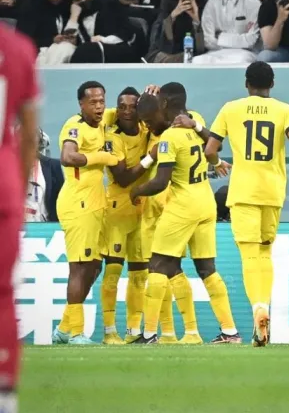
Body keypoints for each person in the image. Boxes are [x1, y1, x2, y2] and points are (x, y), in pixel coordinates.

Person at [203, 62, 289, 346]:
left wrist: (217, 164)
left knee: (250, 255)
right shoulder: (285, 110)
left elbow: (210, 150)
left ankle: (258, 308)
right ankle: (264, 306)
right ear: (272, 85)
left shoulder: (231, 108)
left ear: (246, 84)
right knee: (265, 253)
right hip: (273, 192)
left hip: (243, 192)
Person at [132, 83, 241, 344]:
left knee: (157, 265)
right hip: (205, 202)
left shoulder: (170, 137)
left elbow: (160, 182)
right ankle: (230, 332)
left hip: (183, 204)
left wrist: (136, 191)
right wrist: (214, 160)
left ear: (165, 104)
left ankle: (148, 334)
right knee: (207, 269)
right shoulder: (197, 121)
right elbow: (213, 146)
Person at [51, 81, 119, 345]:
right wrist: (100, 158)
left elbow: (129, 109)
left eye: (102, 101)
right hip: (78, 203)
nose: (99, 106)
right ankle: (77, 332)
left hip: (96, 203)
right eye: (93, 102)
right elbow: (68, 157)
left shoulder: (103, 120)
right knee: (79, 268)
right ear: (81, 104)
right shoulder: (75, 127)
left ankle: (65, 328)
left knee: (93, 266)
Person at [0, 23, 40, 413]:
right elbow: (29, 133)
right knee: (2, 297)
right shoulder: (17, 48)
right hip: (3, 187)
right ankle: (5, 393)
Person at [99, 87, 154, 345]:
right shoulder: (113, 137)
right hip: (117, 209)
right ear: (117, 109)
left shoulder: (146, 129)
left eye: (133, 107)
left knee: (140, 274)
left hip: (142, 209)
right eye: (122, 107)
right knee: (112, 272)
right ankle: (110, 331)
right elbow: (121, 179)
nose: (128, 111)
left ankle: (133, 331)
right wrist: (148, 159)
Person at [26, 127, 64, 222]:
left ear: (39, 143)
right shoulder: (7, 168)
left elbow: (61, 199)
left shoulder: (53, 166)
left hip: (47, 228)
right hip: (16, 228)